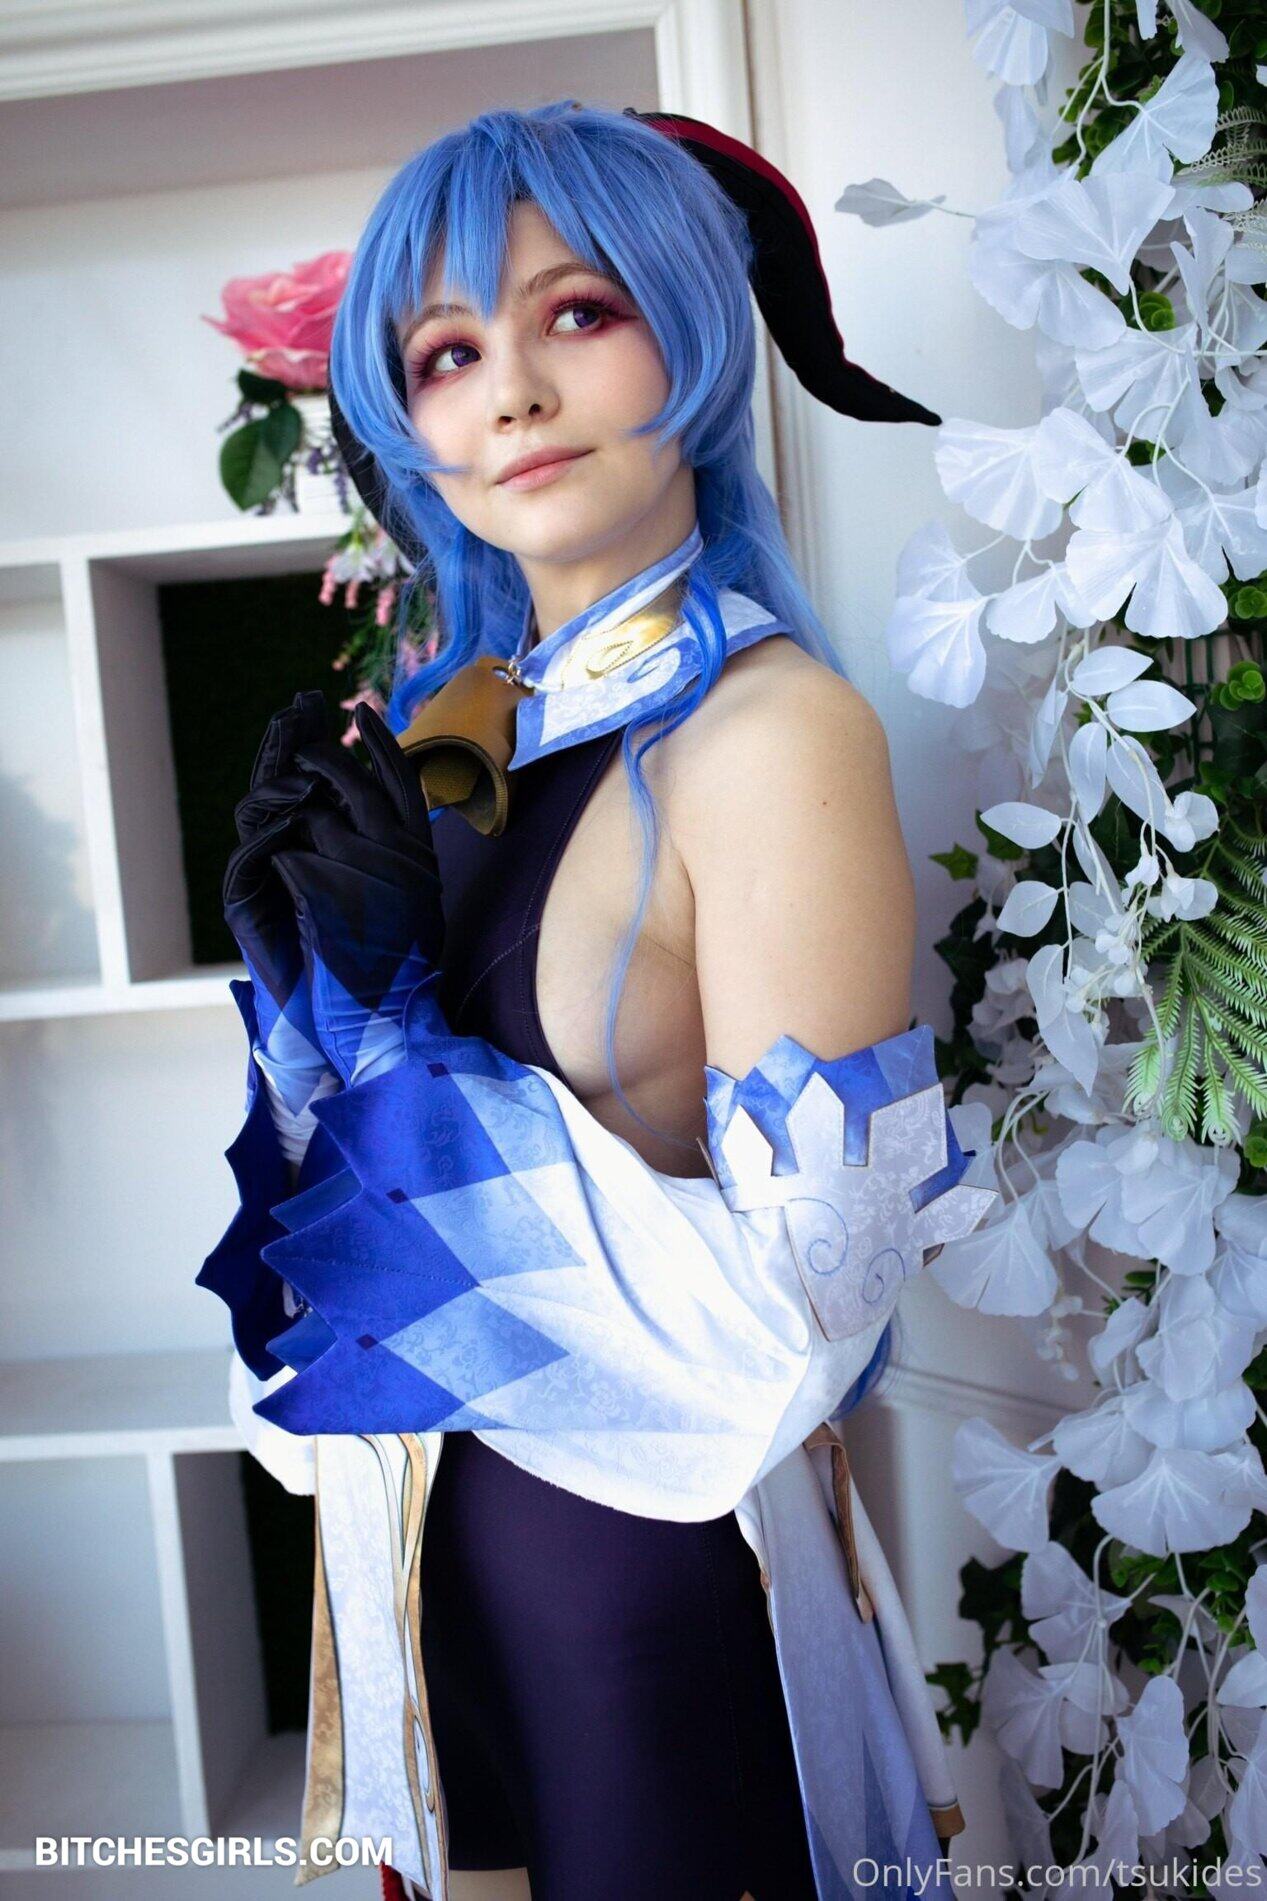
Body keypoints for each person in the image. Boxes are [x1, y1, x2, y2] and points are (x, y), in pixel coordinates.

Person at [198, 100, 994, 1901]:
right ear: (409, 423)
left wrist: (391, 1048)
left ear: (692, 331)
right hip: (416, 1576)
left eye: (578, 311)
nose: (514, 394)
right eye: (448, 353)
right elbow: (308, 1287)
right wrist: (306, 1003)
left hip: (644, 1594)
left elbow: (809, 1316)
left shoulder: (775, 737)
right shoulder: (456, 725)